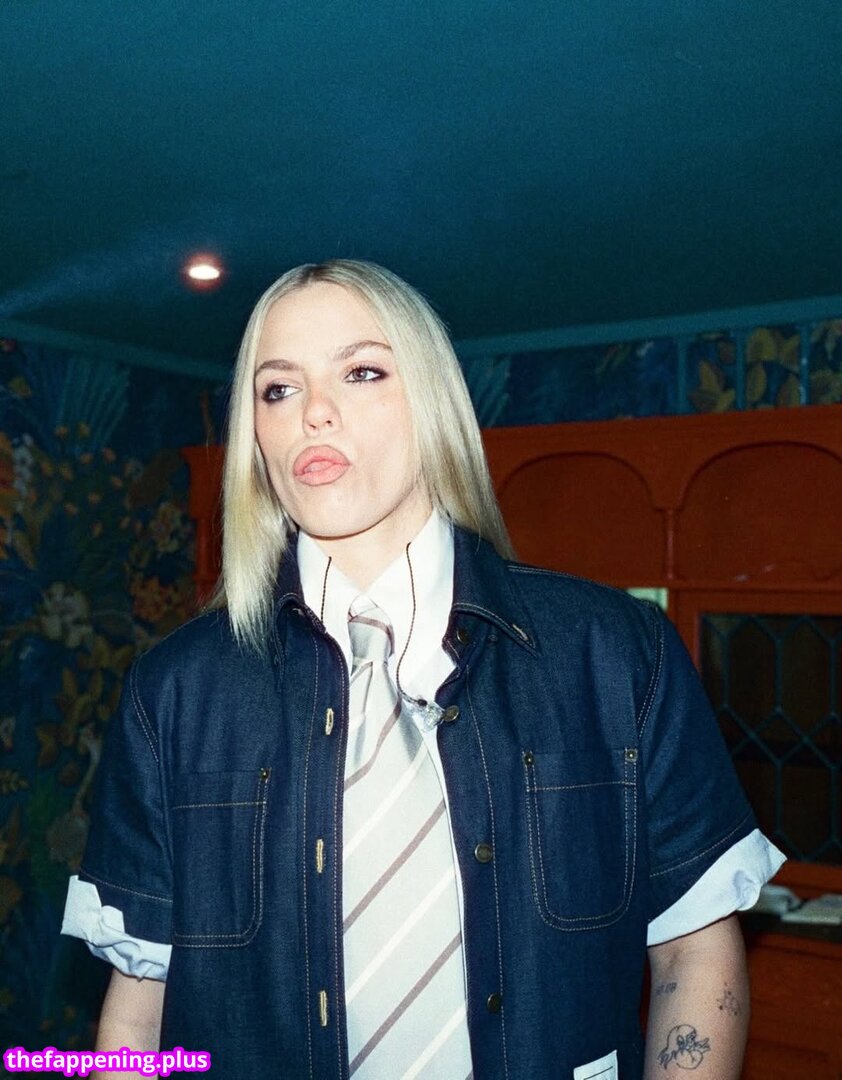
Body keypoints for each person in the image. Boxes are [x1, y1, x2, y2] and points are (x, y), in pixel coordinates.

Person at [63, 260, 784, 1079]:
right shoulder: (174, 692)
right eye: (278, 389)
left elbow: (694, 951)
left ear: (434, 400)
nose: (313, 412)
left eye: (362, 372)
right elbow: (141, 998)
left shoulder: (616, 651)